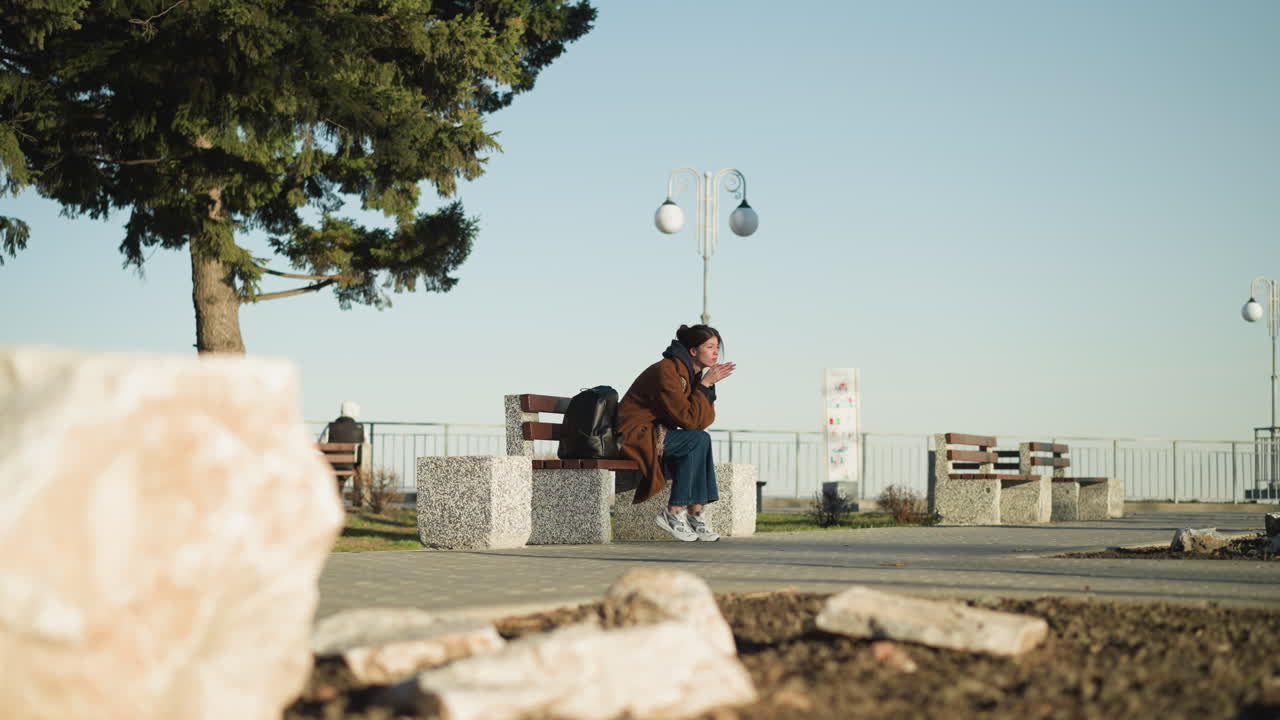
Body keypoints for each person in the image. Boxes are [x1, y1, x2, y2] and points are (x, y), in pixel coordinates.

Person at [616, 324, 736, 542]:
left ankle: (695, 515)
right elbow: (688, 420)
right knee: (697, 441)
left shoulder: (693, 375)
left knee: (701, 439)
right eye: (709, 347)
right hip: (635, 436)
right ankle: (672, 512)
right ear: (693, 351)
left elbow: (700, 422)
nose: (715, 352)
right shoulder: (668, 371)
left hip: (655, 433)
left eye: (717, 347)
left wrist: (706, 388)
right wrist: (705, 384)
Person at [323, 400, 365, 480]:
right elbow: (366, 447)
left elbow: (321, 444)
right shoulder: (361, 428)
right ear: (352, 411)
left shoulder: (330, 427)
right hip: (352, 466)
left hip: (332, 466)